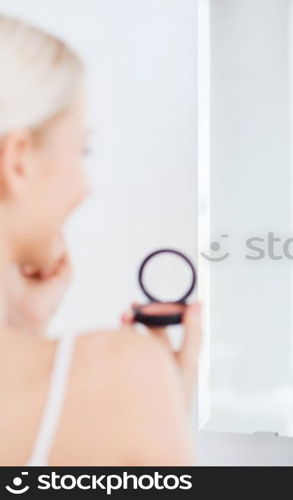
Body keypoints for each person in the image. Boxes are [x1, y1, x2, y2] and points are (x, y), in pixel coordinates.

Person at [0, 14, 201, 465]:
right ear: (17, 162)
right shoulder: (120, 377)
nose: (84, 185)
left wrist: (23, 328)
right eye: (81, 150)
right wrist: (161, 407)